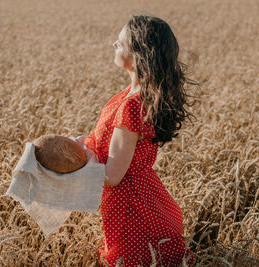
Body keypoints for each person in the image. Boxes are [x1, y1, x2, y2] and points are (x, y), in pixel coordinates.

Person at [77, 15, 199, 266]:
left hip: (132, 209)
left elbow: (112, 176)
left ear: (137, 56)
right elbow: (106, 142)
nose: (114, 45)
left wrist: (79, 157)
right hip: (142, 198)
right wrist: (81, 143)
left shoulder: (132, 106)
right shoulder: (134, 95)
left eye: (120, 44)